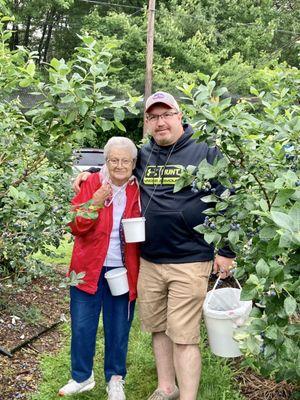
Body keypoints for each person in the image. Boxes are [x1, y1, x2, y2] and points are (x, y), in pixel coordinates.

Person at [73, 92, 235, 400]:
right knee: (158, 328)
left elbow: (229, 198)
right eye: (153, 117)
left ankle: (187, 397)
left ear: (179, 115)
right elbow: (116, 167)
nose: (160, 122)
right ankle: (165, 387)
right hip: (149, 260)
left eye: (166, 114)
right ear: (147, 123)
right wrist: (88, 174)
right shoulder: (144, 154)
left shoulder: (205, 150)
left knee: (184, 335)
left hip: (190, 258)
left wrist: (226, 251)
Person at [59, 137, 140, 400]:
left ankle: (115, 379)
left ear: (133, 163)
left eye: (125, 161)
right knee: (82, 325)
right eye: (113, 160)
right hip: (87, 268)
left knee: (118, 327)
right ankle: (82, 377)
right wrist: (95, 201)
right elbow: (75, 225)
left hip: (122, 270)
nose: (119, 166)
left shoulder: (139, 188)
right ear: (105, 162)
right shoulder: (92, 182)